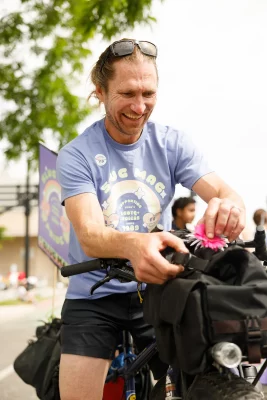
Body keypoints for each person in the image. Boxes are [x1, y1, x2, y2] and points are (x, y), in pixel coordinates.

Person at [56, 38, 246, 400]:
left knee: (210, 375)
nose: (139, 106)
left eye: (148, 93)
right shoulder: (76, 154)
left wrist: (229, 206)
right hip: (93, 296)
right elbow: (91, 234)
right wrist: (134, 244)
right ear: (99, 92)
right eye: (127, 93)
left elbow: (224, 191)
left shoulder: (172, 143)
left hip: (157, 291)